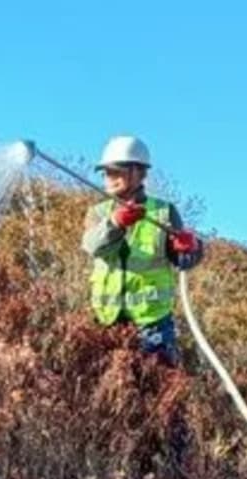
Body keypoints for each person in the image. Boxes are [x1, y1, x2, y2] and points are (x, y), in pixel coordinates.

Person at [80, 135, 203, 367]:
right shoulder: (98, 213)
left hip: (153, 324)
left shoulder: (164, 212)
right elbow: (92, 245)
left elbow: (184, 259)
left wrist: (190, 248)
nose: (109, 178)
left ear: (138, 172)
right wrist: (115, 223)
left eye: (115, 172)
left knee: (156, 392)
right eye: (106, 172)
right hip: (106, 320)